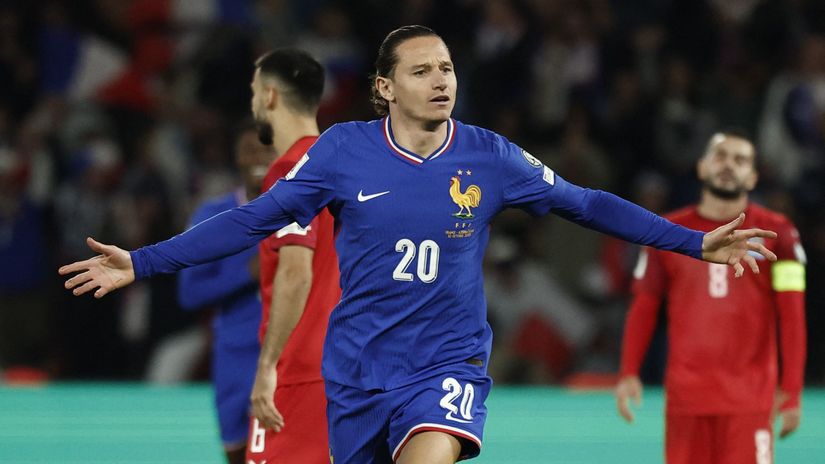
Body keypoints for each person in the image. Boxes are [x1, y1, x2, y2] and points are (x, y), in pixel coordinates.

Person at [60, 26, 778, 464]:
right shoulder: (342, 153)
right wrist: (143, 260)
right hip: (358, 371)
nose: (441, 81)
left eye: (446, 69)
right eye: (421, 71)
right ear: (384, 87)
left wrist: (689, 241)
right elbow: (255, 221)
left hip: (445, 363)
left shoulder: (489, 155)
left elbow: (584, 204)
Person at [615, 132, 807, 464]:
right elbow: (645, 304)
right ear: (702, 168)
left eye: (740, 160)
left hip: (750, 402)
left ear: (754, 176)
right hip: (686, 400)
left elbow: (792, 317)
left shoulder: (780, 235)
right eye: (720, 157)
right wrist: (629, 370)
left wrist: (791, 392)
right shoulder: (667, 232)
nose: (729, 165)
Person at [245, 49, 340, 464]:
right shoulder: (344, 169)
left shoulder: (289, 172)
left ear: (269, 96)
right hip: (349, 368)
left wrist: (268, 367)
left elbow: (296, 272)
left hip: (301, 370)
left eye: (253, 91)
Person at [176, 121, 272, 464]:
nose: (258, 157)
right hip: (236, 355)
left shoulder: (312, 211)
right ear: (236, 156)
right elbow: (189, 293)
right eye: (250, 149)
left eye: (266, 148)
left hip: (295, 357)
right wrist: (245, 273)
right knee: (237, 455)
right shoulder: (213, 215)